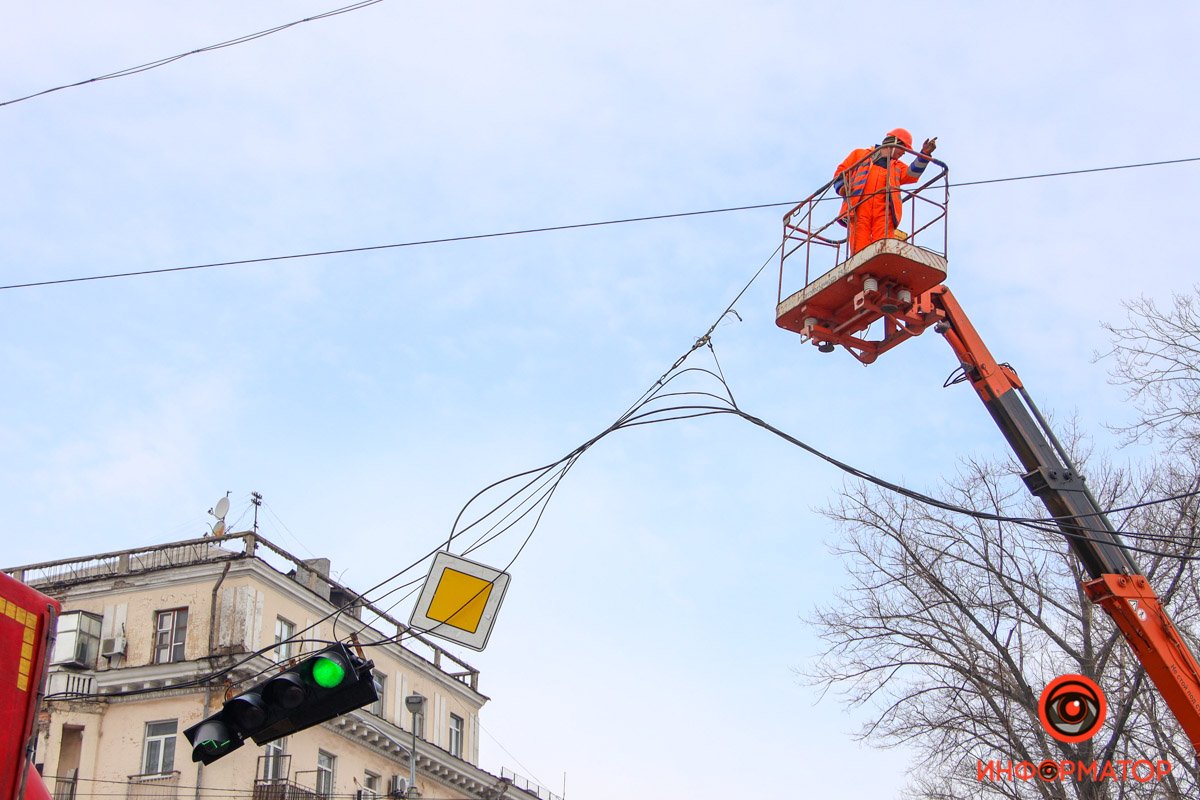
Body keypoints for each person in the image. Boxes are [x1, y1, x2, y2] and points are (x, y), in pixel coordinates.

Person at [833, 128, 937, 255]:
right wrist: (843, 187)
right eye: (903, 149)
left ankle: (882, 263)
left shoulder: (897, 166)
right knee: (859, 242)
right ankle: (861, 265)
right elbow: (841, 173)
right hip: (859, 207)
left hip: (884, 210)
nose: (904, 154)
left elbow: (912, 174)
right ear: (894, 143)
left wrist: (924, 155)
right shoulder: (859, 155)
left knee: (884, 243)